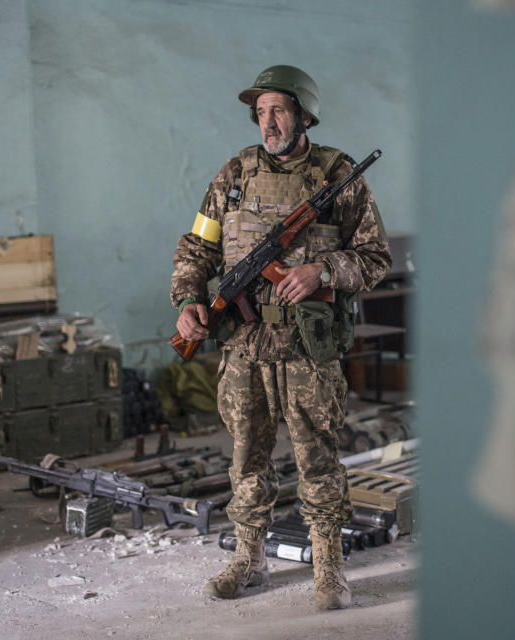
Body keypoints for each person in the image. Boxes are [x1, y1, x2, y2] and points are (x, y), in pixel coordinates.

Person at [170, 65, 391, 610]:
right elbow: (197, 248)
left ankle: (328, 566)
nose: (269, 122)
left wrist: (322, 270)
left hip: (308, 350)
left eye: (280, 110)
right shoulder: (234, 175)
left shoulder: (339, 175)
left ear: (304, 116)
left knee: (317, 458)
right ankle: (249, 558)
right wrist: (188, 301)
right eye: (261, 111)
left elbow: (375, 259)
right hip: (244, 345)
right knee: (246, 458)